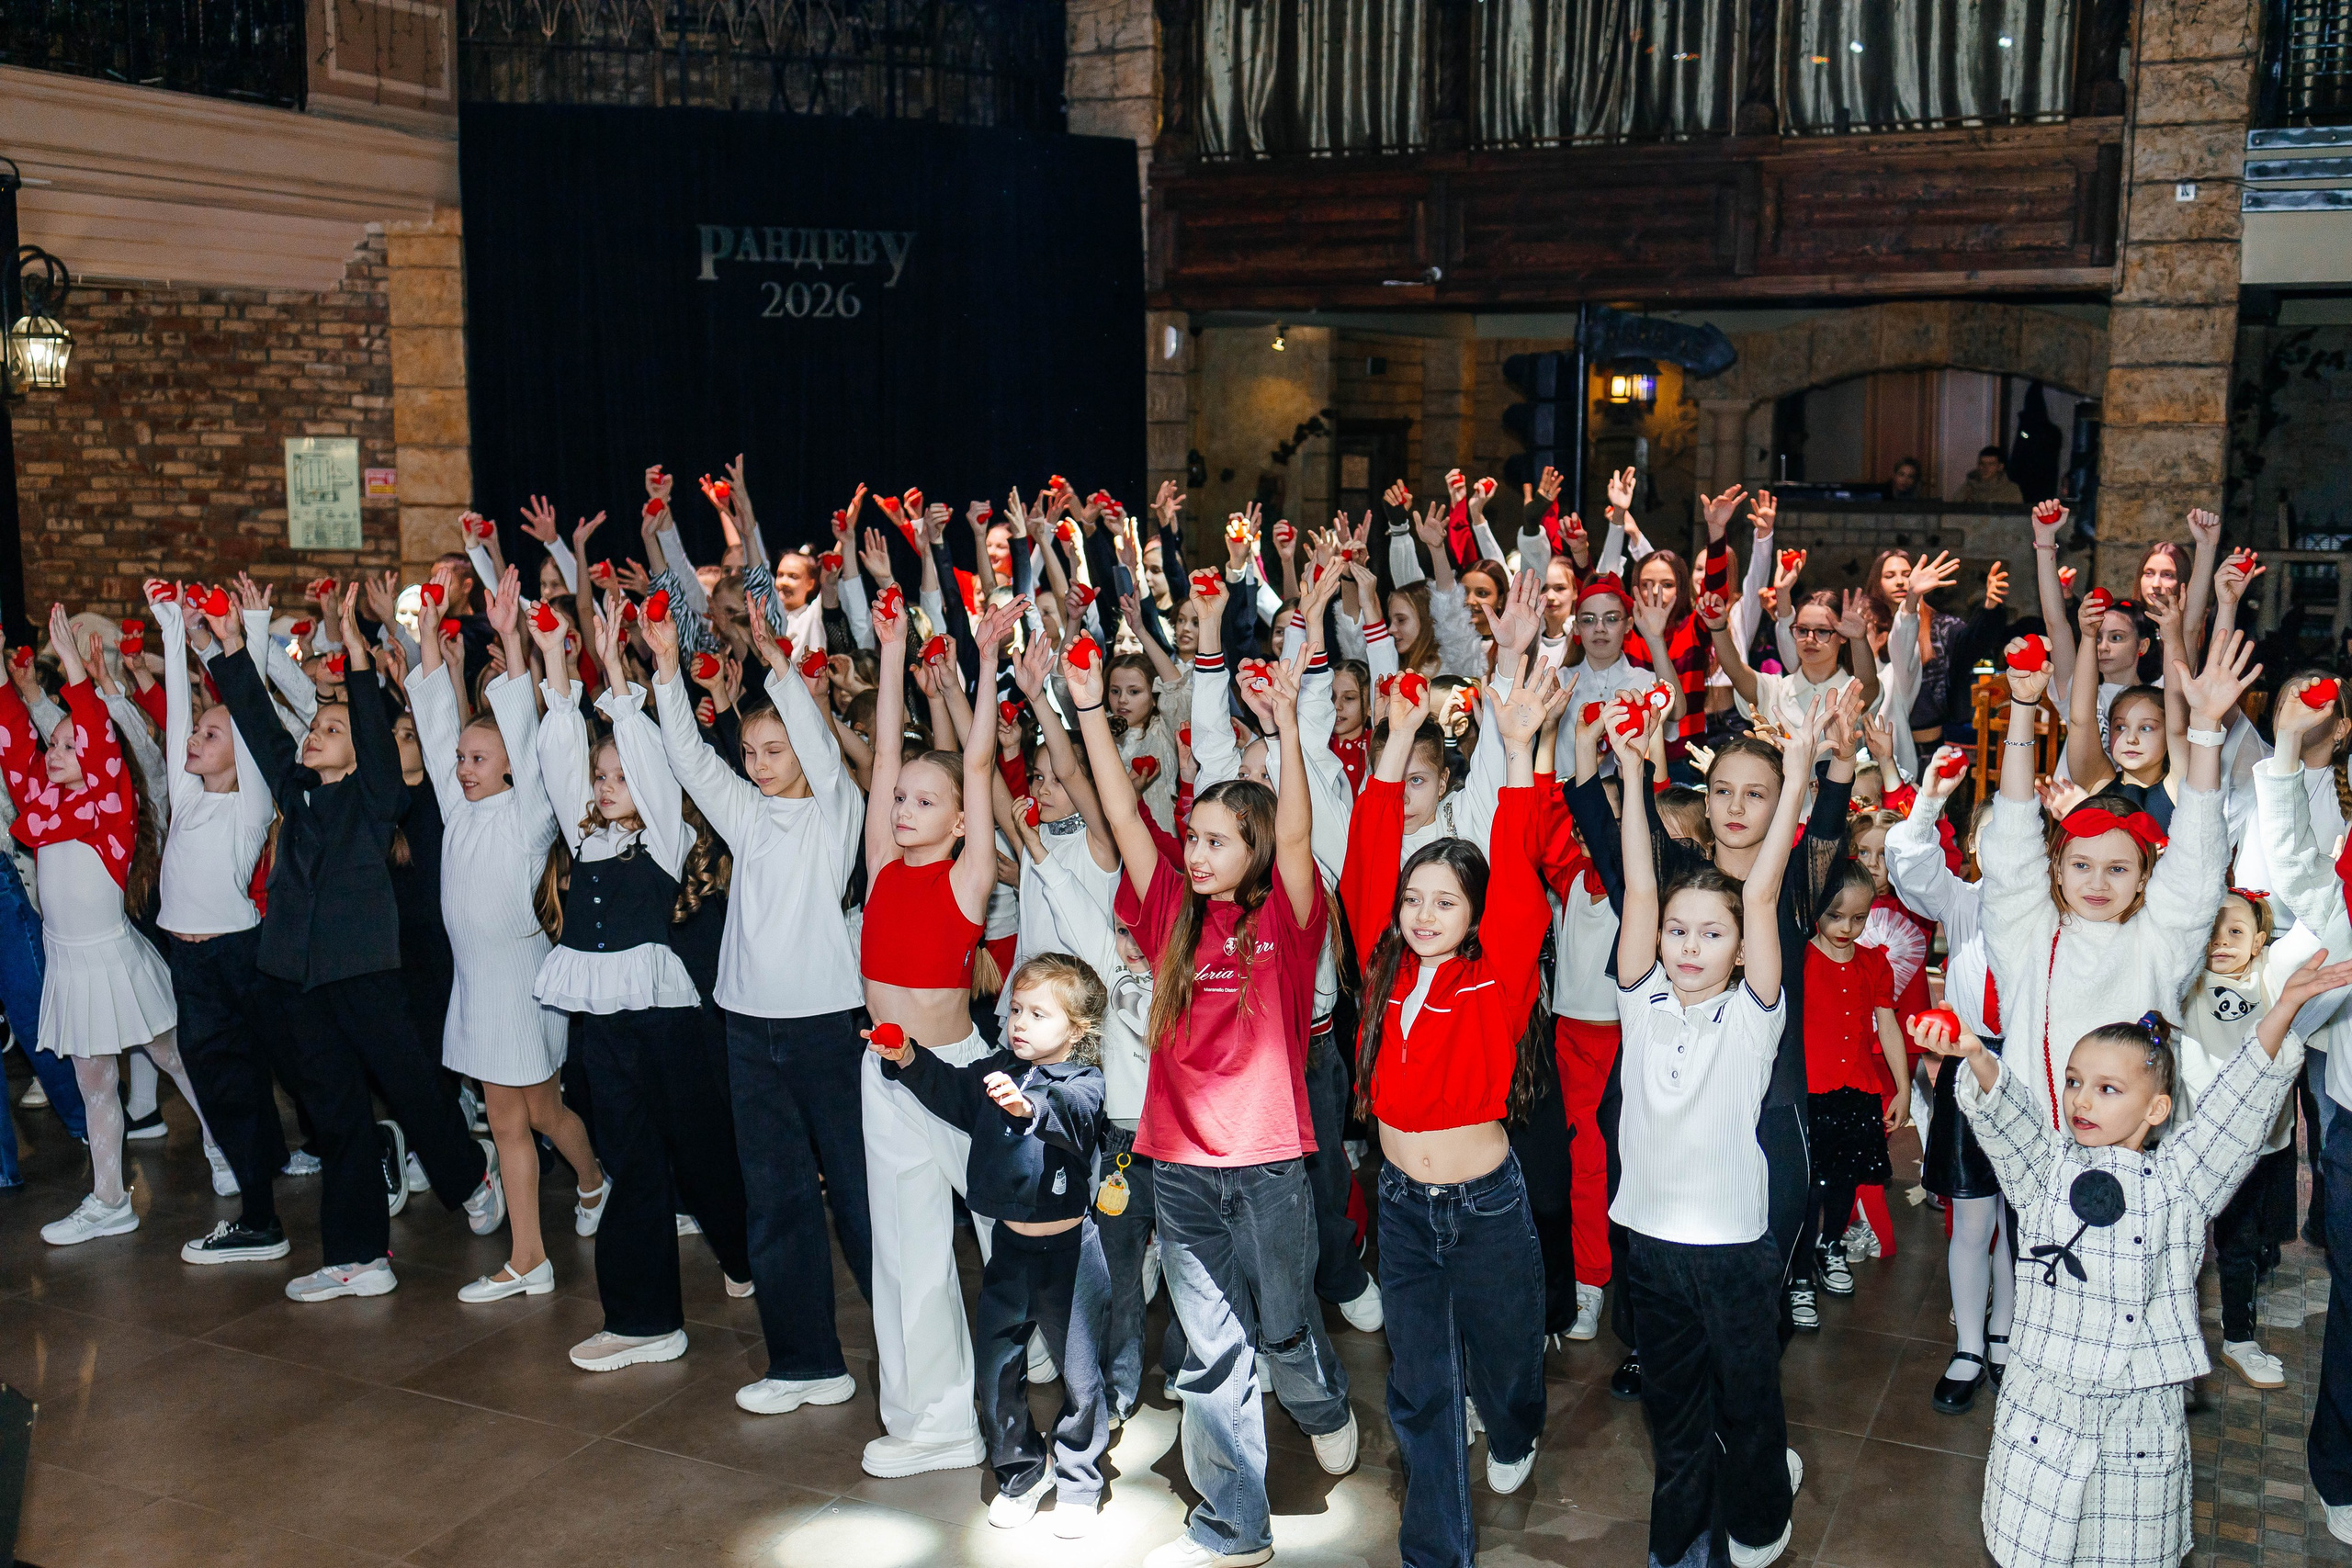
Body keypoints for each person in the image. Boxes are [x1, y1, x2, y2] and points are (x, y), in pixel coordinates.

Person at [1920, 948, 2352, 1568]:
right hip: (2046, 1407)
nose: (2081, 1101)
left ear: (2156, 1109)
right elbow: (2007, 1120)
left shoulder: (2179, 1182)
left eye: (2106, 1088)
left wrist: (2283, 1007)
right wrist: (1979, 1056)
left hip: (2136, 1415)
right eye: (2073, 1081)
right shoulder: (2046, 1171)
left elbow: (2235, 1113)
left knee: (2126, 1550)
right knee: (2031, 1546)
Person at [1075, 635, 1358, 1568]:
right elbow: (1121, 813)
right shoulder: (1167, 911)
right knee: (1211, 1355)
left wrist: (1281, 726)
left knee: (1281, 1327)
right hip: (1182, 1175)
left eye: (1214, 840)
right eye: (1190, 837)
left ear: (1255, 849)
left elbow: (1303, 838)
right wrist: (1085, 710)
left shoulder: (1286, 913)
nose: (1194, 852)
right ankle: (1237, 1525)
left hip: (1272, 1170)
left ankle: (1319, 1401)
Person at [207, 585, 496, 1301]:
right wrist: (231, 645)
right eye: (316, 728)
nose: (314, 735)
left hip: (365, 972)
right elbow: (256, 720)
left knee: (412, 1089)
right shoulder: (296, 790)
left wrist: (357, 663)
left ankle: (468, 1175)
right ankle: (359, 1256)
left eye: (330, 729)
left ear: (356, 751)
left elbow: (371, 729)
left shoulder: (374, 801)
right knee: (336, 1115)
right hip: (297, 979)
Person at [1340, 658, 1566, 1567]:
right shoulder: (1382, 964)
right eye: (1413, 901)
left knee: (1509, 1365)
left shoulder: (1496, 972)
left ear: (1475, 915)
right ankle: (1436, 1551)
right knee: (1420, 1390)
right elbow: (1364, 851)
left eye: (1445, 902)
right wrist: (1395, 734)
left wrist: (1517, 751)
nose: (1424, 914)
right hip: (1400, 1207)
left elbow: (1516, 865)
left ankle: (1515, 1428)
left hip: (1486, 1211)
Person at [1611, 688, 1824, 1568]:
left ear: (1740, 947)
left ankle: (1760, 1516)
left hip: (1735, 1250)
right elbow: (1637, 880)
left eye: (1711, 933)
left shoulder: (1752, 1017)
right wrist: (1630, 768)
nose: (1690, 945)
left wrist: (1804, 766)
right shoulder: (1642, 1001)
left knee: (1747, 1401)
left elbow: (1765, 886)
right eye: (1677, 930)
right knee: (1676, 1418)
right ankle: (1676, 1552)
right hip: (1649, 1247)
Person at [650, 583, 869, 1398]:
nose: (758, 763)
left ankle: (925, 1366)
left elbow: (817, 748)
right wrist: (667, 673)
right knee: (775, 1200)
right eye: (752, 751)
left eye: (773, 751)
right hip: (747, 1028)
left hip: (821, 1029)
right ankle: (805, 1361)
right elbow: (686, 759)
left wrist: (782, 672)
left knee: (855, 1196)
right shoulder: (746, 815)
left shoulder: (834, 812)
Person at [858, 588, 1030, 1477]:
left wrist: (987, 657)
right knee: (908, 1245)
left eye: (925, 802)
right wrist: (890, 651)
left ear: (962, 824)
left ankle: (1046, 1347)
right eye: (898, 801)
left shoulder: (967, 880)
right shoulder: (882, 865)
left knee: (1009, 1217)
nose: (902, 807)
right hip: (882, 1070)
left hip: (953, 1072)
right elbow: (886, 753)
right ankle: (934, 1422)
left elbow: (974, 766)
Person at [868, 953, 1112, 1539]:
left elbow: (1074, 1117)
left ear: (1077, 1030)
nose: (1020, 1023)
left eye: (1038, 1014)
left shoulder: (1083, 1082)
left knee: (1081, 1374)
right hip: (1008, 1253)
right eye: (1016, 1011)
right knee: (997, 1367)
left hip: (1072, 1257)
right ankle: (1022, 1471)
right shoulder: (997, 1068)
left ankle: (1080, 1479)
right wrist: (907, 1058)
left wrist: (1028, 1107)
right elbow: (952, 1092)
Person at [409, 569, 593, 1301]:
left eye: (478, 759)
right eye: (462, 760)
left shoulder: (528, 815)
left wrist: (514, 640)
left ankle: (592, 1176)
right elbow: (432, 728)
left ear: (514, 766)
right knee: (507, 1120)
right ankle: (529, 1256)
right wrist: (427, 640)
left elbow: (523, 723)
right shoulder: (460, 810)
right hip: (477, 985)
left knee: (542, 1113)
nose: (463, 767)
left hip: (522, 980)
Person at [0, 603, 191, 1248]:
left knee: (173, 1057)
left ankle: (230, 1153)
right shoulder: (46, 804)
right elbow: (16, 745)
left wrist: (77, 668)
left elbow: (97, 737)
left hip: (112, 959)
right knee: (95, 1080)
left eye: (67, 742)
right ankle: (110, 1197)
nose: (56, 749)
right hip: (70, 962)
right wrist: (5, 684)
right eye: (54, 744)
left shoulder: (109, 806)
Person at [149, 583, 289, 1261]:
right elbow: (178, 712)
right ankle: (261, 1194)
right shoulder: (187, 794)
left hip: (241, 953)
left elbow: (255, 714)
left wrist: (249, 633)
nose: (196, 739)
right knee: (220, 1077)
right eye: (198, 733)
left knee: (267, 1067)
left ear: (241, 752)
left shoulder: (248, 804)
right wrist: (171, 629)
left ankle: (264, 1211)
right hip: (190, 960)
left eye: (212, 734)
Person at [1796, 863, 1909, 1317]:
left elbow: (1888, 1024)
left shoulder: (1873, 963)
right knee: (1809, 1188)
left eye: (1858, 918)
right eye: (1835, 915)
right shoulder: (1800, 958)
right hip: (1810, 1091)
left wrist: (1901, 1087)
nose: (1846, 927)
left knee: (1845, 1180)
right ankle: (1800, 1270)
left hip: (1858, 1088)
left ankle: (1831, 1246)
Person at [1954, 446, 2022, 506]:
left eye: (1991, 464)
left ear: (2000, 467)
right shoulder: (1967, 488)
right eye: (1982, 464)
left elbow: (2015, 517)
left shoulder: (2011, 491)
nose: (1985, 468)